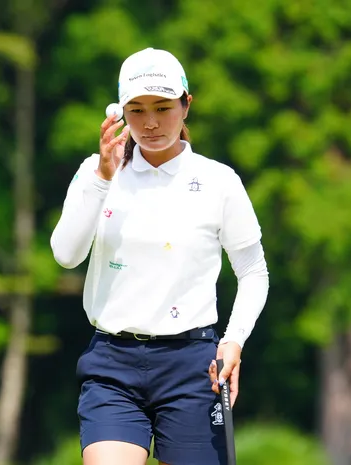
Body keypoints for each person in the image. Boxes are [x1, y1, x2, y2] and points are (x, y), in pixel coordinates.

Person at [50, 47, 269, 465]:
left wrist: (234, 341)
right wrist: (103, 178)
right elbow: (65, 255)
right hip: (111, 364)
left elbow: (253, 271)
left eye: (163, 108)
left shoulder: (218, 181)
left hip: (193, 365)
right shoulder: (95, 172)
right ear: (120, 113)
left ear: (186, 105)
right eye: (137, 110)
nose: (150, 123)